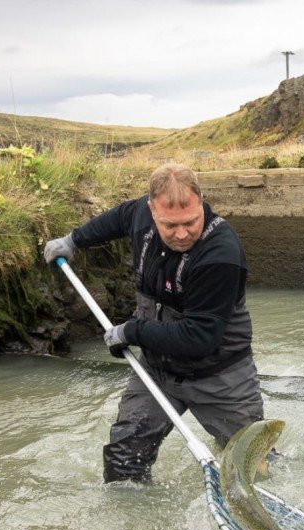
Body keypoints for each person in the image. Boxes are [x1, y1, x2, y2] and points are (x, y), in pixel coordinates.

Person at [44, 163, 265, 483]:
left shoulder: (221, 254)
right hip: (157, 371)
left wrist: (131, 331)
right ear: (151, 210)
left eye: (190, 222)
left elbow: (199, 337)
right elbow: (118, 218)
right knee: (123, 462)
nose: (182, 233)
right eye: (169, 225)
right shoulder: (140, 214)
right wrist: (74, 240)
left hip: (221, 376)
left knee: (251, 470)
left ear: (201, 201)